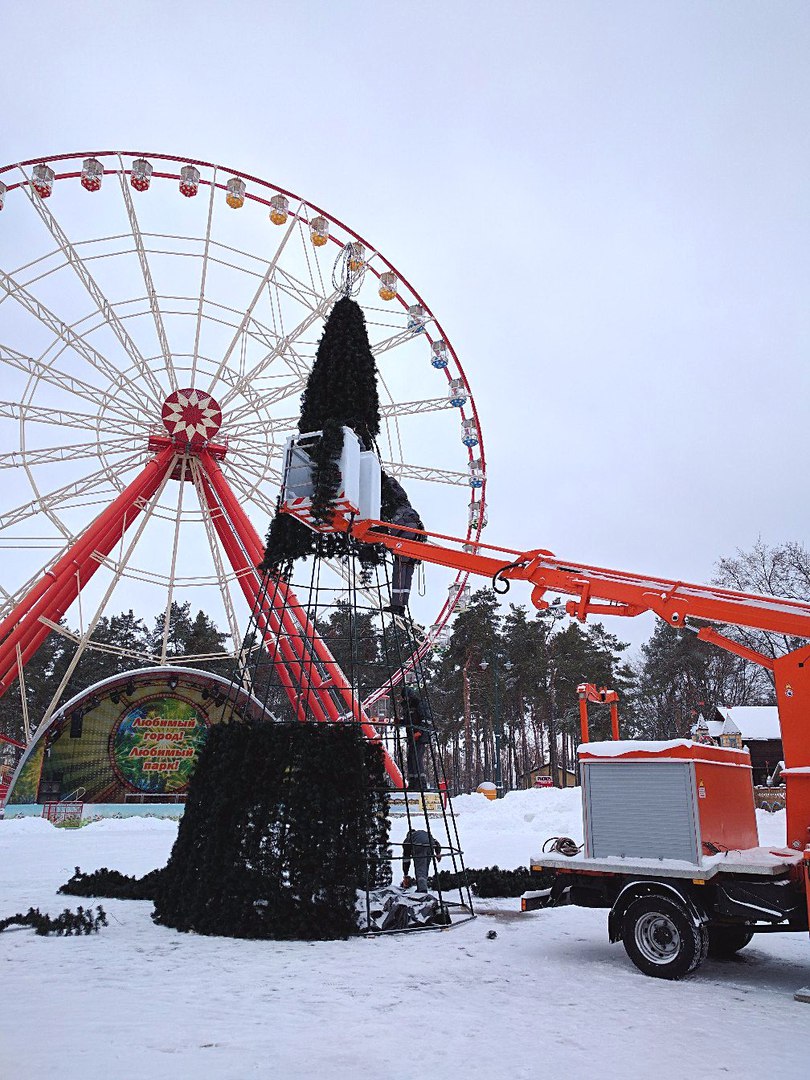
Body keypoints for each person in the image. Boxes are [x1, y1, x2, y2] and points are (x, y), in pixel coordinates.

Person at [381, 475, 425, 615]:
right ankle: (400, 605)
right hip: (416, 534)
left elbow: (393, 521)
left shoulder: (390, 497)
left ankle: (397, 605)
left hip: (406, 532)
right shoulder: (403, 501)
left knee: (399, 570)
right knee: (406, 571)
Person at [399, 680, 432, 789]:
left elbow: (426, 720)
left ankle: (421, 784)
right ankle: (413, 782)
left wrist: (420, 732)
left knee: (416, 758)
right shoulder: (407, 707)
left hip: (420, 737)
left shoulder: (419, 704)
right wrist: (400, 722)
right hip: (411, 737)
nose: (405, 699)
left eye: (406, 697)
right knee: (410, 759)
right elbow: (409, 721)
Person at [401, 827, 442, 894]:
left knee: (420, 868)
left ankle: (422, 891)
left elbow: (406, 859)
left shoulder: (408, 840)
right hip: (430, 843)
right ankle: (422, 887)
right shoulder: (422, 833)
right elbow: (436, 842)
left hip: (419, 845)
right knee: (425, 868)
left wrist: (405, 874)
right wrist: (438, 853)